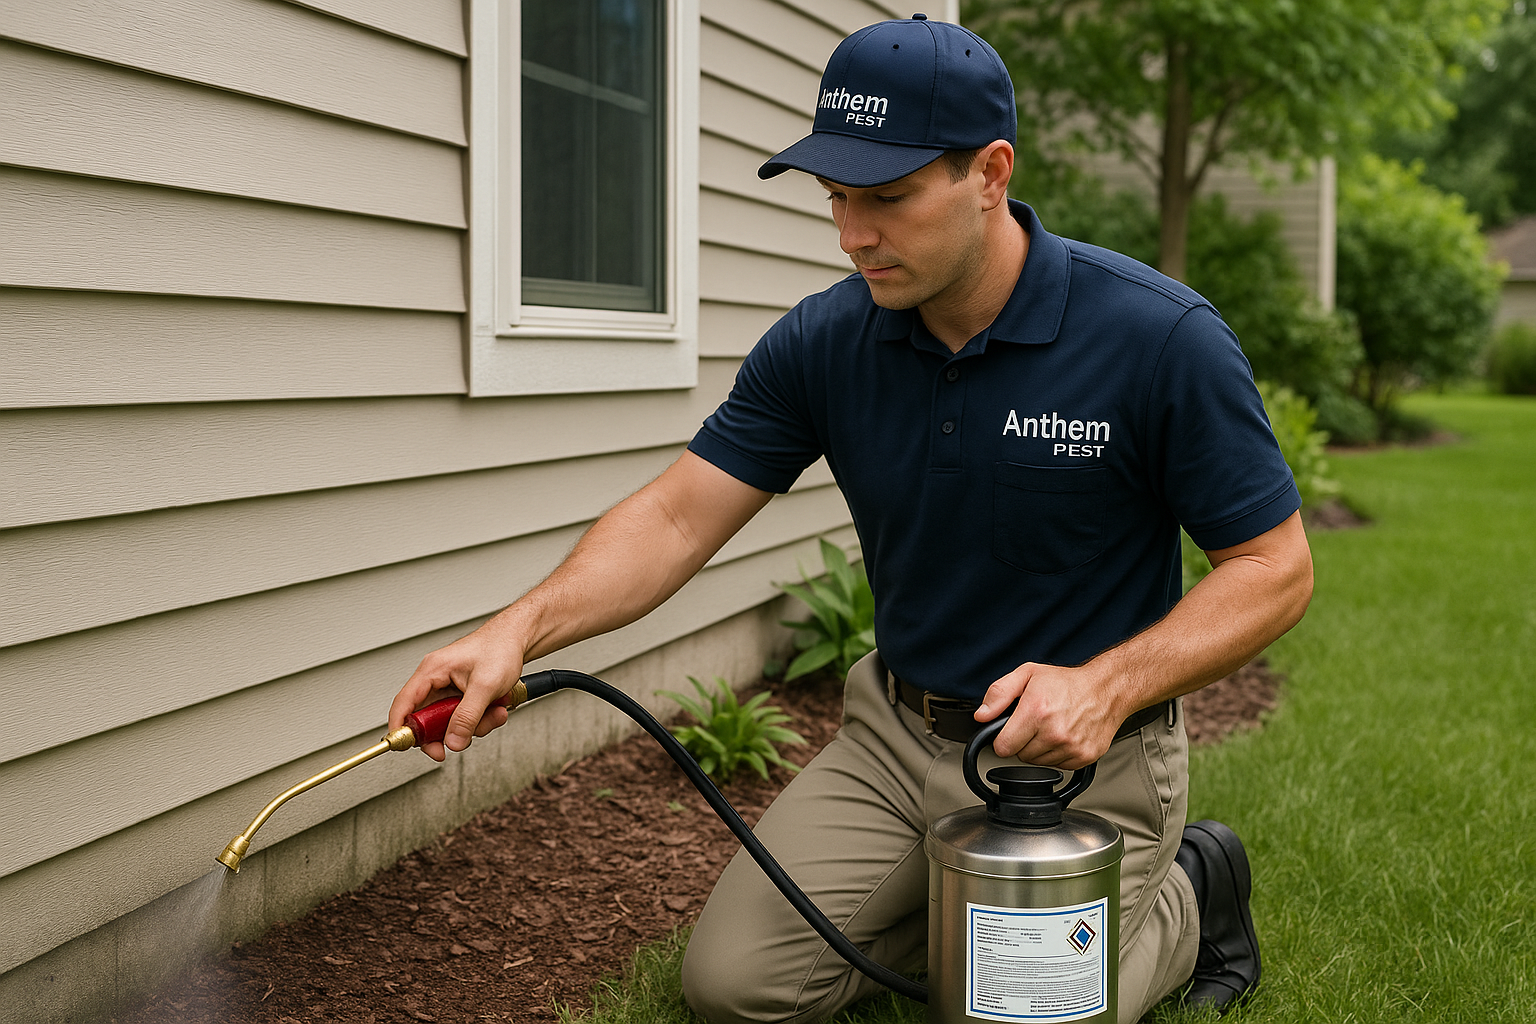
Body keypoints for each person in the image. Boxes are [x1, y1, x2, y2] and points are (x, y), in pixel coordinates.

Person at [389, 14, 1312, 1024]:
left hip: (1085, 763)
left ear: (991, 172)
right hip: (893, 742)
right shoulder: (827, 342)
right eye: (836, 197)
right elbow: (673, 518)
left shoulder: (1158, 338)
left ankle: (1187, 892)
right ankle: (968, 917)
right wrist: (512, 633)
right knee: (735, 988)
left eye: (887, 197)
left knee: (1015, 1011)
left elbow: (1275, 567)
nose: (852, 233)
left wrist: (1106, 684)